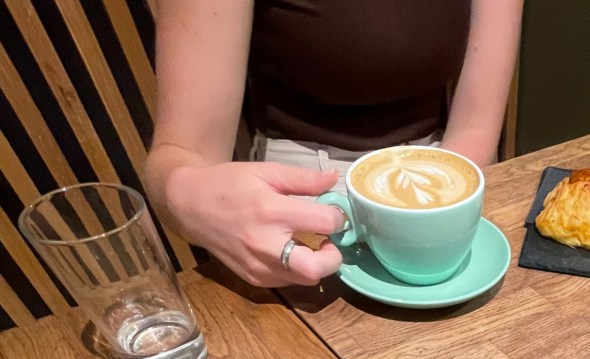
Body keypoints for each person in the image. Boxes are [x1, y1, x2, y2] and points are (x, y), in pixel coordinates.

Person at [143, 0, 522, 289]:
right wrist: (184, 195)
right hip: (296, 209)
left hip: (440, 178)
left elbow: (475, 127)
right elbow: (182, 153)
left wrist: (426, 221)